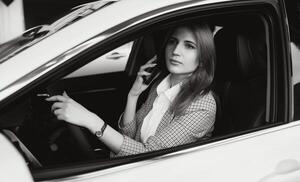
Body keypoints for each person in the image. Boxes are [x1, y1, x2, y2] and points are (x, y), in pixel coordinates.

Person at [46, 22, 217, 157]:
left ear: (203, 58)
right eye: (173, 42)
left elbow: (149, 155)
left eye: (189, 46)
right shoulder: (160, 83)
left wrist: (91, 120)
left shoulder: (203, 106)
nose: (176, 51)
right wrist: (133, 95)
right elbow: (129, 135)